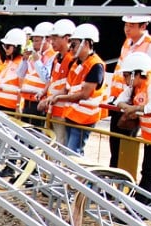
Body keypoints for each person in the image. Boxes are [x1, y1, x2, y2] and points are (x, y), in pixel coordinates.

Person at [108, 15, 151, 169]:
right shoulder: (127, 42)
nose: (127, 28)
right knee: (116, 149)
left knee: (127, 151)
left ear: (143, 26)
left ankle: (123, 181)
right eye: (126, 24)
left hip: (139, 102)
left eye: (132, 25)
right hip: (125, 100)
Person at [113, 53, 151, 195]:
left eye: (126, 75)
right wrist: (126, 107)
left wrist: (136, 109)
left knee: (150, 172)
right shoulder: (136, 87)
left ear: (136, 74)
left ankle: (143, 204)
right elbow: (118, 100)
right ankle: (149, 202)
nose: (124, 78)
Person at [44, 23, 105, 155]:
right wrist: (52, 97)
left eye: (75, 44)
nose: (71, 48)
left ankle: (75, 176)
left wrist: (59, 98)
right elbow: (67, 88)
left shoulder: (95, 65)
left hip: (85, 118)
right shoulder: (77, 63)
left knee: (73, 153)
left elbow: (85, 94)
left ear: (87, 44)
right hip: (71, 114)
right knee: (68, 152)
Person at [39, 19, 76, 146]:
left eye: (55, 38)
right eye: (51, 38)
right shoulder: (57, 58)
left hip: (63, 111)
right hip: (52, 108)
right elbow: (53, 79)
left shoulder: (72, 59)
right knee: (48, 143)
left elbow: (67, 87)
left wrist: (49, 99)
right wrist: (44, 92)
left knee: (60, 144)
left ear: (67, 38)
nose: (52, 42)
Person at [20, 22, 56, 125]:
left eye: (37, 41)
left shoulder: (52, 56)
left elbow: (46, 78)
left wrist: (37, 61)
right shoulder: (35, 55)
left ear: (47, 40)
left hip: (40, 101)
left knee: (35, 133)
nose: (34, 43)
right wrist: (24, 59)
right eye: (33, 40)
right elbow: (20, 74)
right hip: (28, 99)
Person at [0, 28, 28, 115]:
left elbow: (21, 87)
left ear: (17, 47)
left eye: (8, 46)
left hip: (10, 108)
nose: (5, 49)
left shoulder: (22, 63)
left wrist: (18, 106)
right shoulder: (7, 62)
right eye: (4, 46)